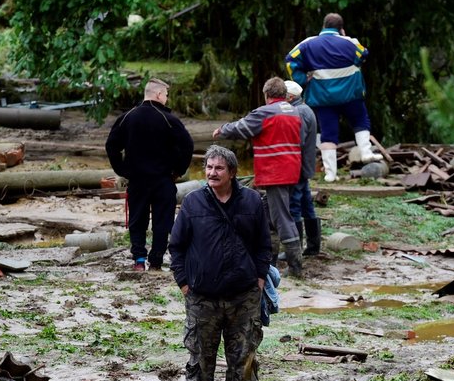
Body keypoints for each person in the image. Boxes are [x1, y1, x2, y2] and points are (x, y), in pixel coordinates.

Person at [168, 144, 271, 381]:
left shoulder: (252, 201)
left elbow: (264, 245)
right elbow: (176, 246)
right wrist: (184, 283)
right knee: (200, 366)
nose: (212, 173)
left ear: (232, 173)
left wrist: (260, 278)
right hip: (202, 299)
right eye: (209, 168)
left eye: (218, 169)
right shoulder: (193, 203)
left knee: (244, 366)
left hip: (244, 297)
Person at [212, 76, 304, 276]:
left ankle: (295, 267)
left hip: (275, 170)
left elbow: (242, 127)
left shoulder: (265, 112)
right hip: (291, 168)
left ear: (267, 95)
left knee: (281, 217)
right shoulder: (293, 111)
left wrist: (222, 130)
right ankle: (268, 262)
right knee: (270, 216)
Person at [106, 78, 194, 272]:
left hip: (137, 179)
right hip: (163, 179)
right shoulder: (169, 120)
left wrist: (121, 169)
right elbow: (187, 145)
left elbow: (111, 145)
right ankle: (156, 261)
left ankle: (138, 259)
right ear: (159, 95)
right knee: (162, 221)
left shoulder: (127, 117)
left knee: (138, 219)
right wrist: (178, 170)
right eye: (166, 95)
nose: (167, 99)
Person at [285, 12, 382, 184]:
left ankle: (331, 174)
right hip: (350, 95)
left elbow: (290, 59)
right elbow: (363, 55)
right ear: (341, 29)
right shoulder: (350, 43)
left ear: (323, 26)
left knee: (328, 134)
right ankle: (366, 152)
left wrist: (301, 80)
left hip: (323, 98)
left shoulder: (308, 44)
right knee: (361, 121)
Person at [284, 80, 322, 256]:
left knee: (294, 206)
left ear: (290, 97)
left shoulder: (297, 112)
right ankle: (313, 247)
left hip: (297, 167)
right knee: (307, 205)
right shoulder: (306, 109)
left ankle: (295, 249)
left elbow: (297, 141)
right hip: (305, 165)